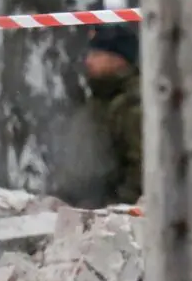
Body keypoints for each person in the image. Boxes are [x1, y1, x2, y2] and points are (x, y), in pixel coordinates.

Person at [48, 25, 143, 209]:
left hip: (110, 213)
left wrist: (115, 205)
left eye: (97, 54)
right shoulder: (98, 100)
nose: (89, 61)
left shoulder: (130, 105)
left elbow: (140, 168)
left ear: (118, 60)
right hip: (82, 208)